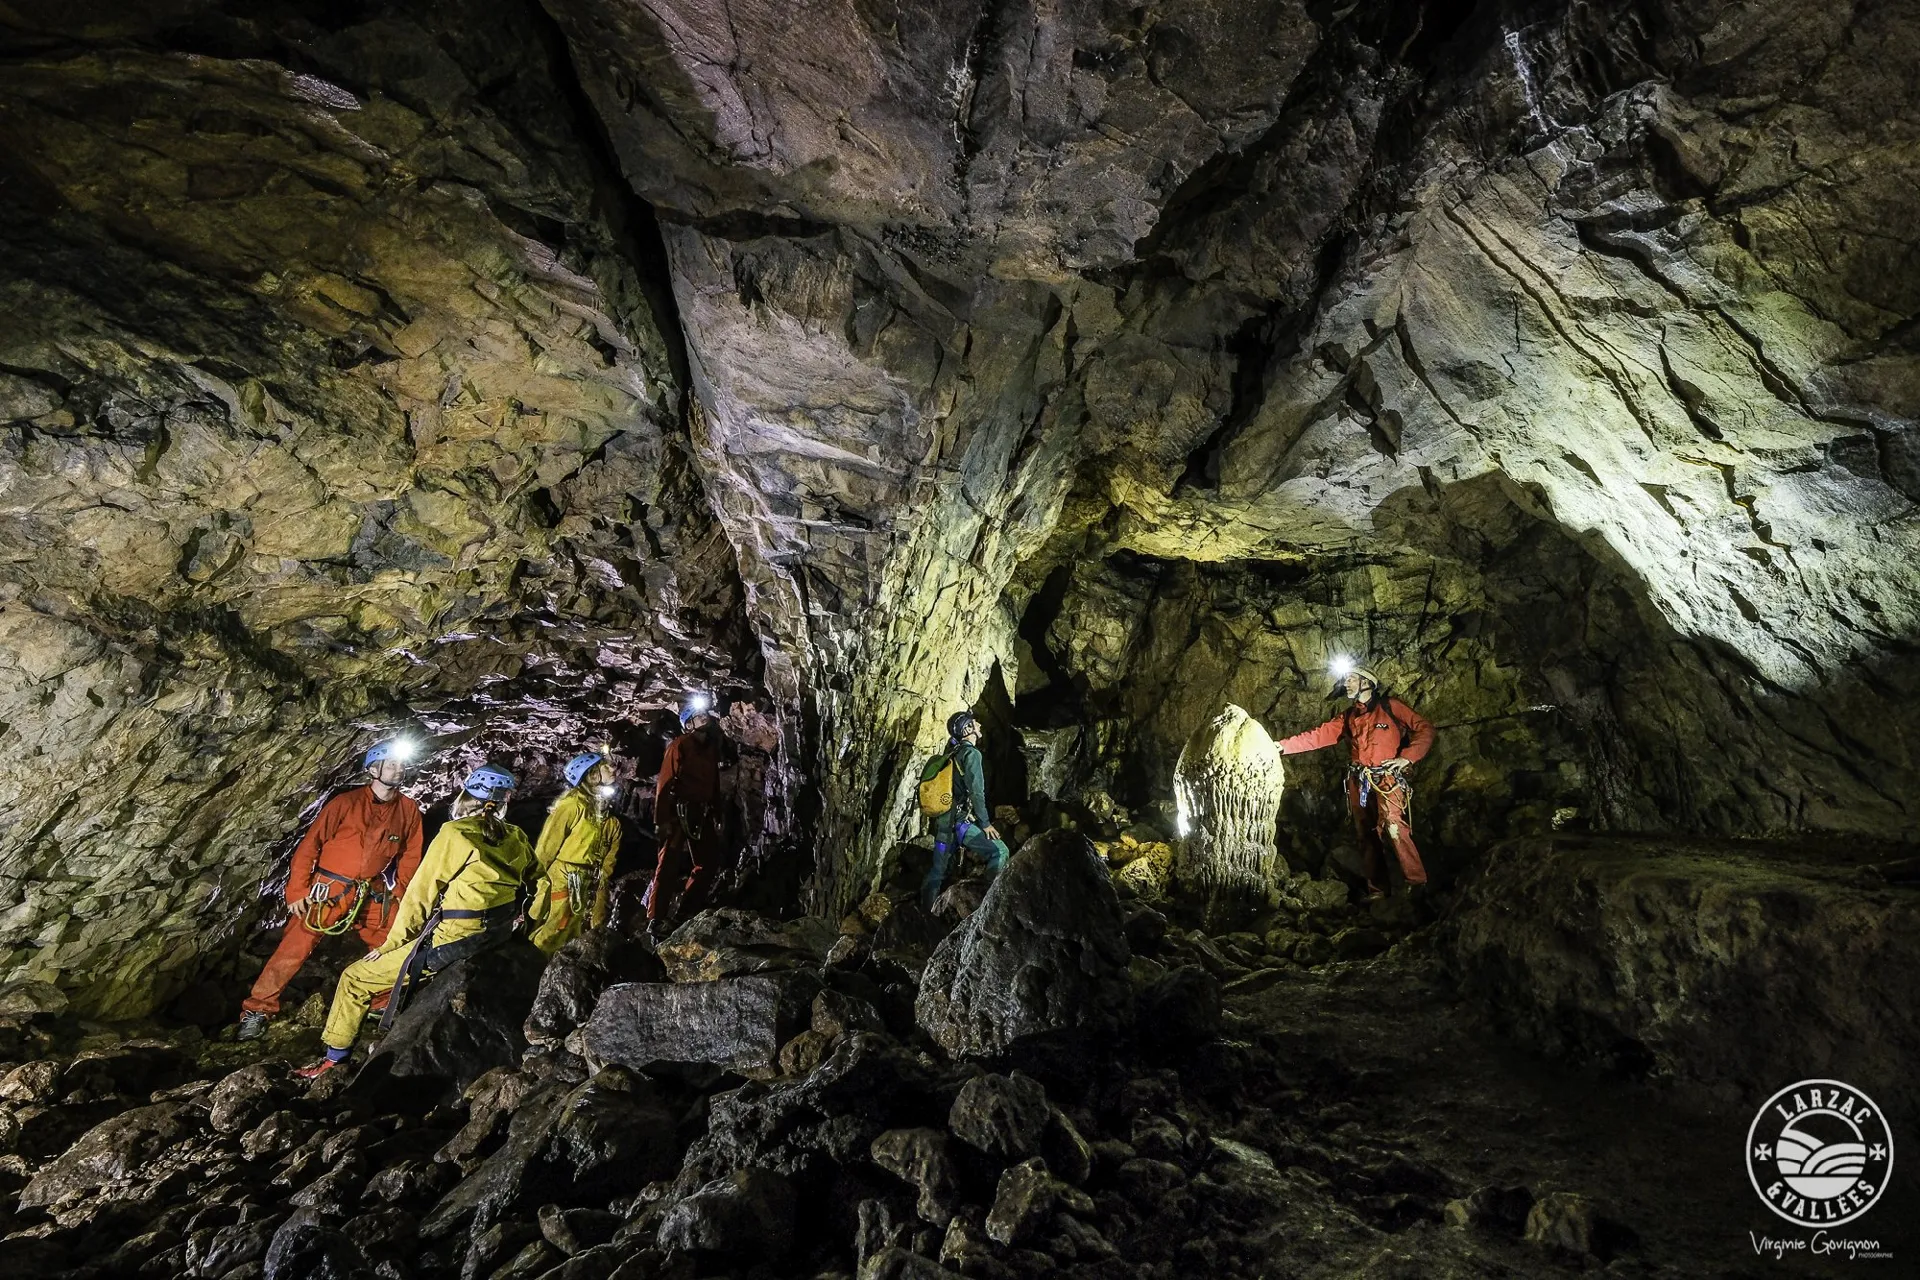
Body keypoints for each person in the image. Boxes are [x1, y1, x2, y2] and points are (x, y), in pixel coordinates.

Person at [293, 764, 532, 1078]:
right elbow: (537, 880)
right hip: (496, 933)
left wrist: (392, 944)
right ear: (503, 802)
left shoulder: (455, 833)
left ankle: (333, 1062)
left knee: (354, 979)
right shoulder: (516, 835)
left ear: (465, 797)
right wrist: (525, 923)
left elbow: (420, 896)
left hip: (457, 939)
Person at [236, 739, 424, 1041]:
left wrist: (401, 892)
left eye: (401, 765)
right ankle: (257, 1009)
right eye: (392, 765)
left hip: (371, 890)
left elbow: (411, 854)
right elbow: (310, 845)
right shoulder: (345, 804)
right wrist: (297, 890)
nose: (399, 770)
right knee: (293, 948)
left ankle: (381, 1000)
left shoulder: (408, 810)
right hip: (329, 888)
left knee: (389, 941)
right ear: (373, 770)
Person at [1277, 663, 1435, 898]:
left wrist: (1406, 758)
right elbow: (1319, 736)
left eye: (1351, 679)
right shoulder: (1350, 716)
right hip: (1359, 781)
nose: (1346, 683)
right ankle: (1378, 891)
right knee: (1366, 834)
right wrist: (1282, 746)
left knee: (1393, 825)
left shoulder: (1390, 707)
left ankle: (1417, 882)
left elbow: (1425, 729)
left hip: (1387, 779)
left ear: (1367, 683)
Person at [528, 751, 622, 955]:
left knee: (572, 929)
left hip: (584, 879)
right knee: (557, 927)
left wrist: (600, 882)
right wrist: (535, 879)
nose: (612, 769)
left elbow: (607, 858)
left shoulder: (603, 815)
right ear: (591, 774)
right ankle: (532, 965)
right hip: (564, 877)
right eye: (605, 766)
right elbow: (547, 846)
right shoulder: (572, 805)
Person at [645, 700, 725, 933]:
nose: (704, 717)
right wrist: (661, 821)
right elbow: (665, 783)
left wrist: (717, 809)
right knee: (668, 863)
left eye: (704, 714)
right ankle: (655, 918)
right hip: (679, 811)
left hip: (701, 811)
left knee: (707, 863)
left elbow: (714, 781)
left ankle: (685, 911)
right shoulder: (679, 745)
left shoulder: (709, 747)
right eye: (698, 715)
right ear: (688, 724)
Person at [922, 711, 1009, 908]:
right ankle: (988, 905)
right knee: (1000, 851)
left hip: (943, 822)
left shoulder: (953, 754)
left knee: (938, 871)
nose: (979, 724)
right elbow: (977, 792)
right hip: (959, 824)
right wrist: (985, 824)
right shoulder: (971, 754)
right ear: (967, 729)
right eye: (974, 722)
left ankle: (924, 914)